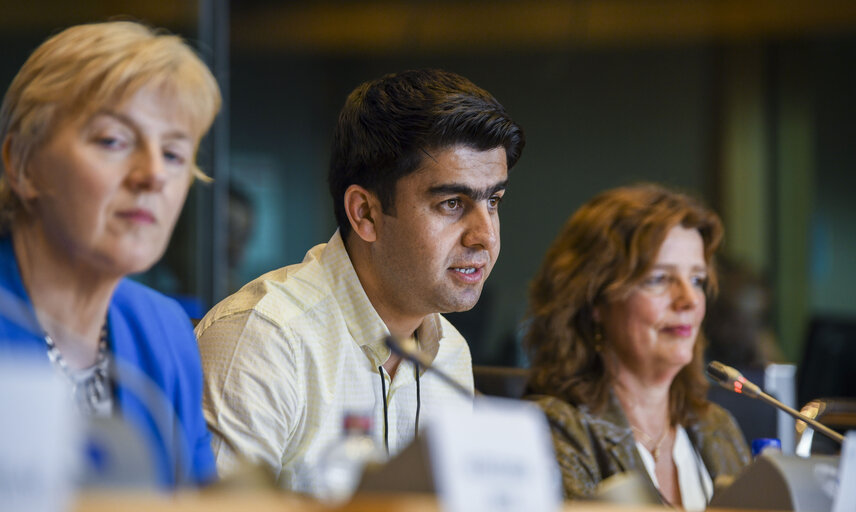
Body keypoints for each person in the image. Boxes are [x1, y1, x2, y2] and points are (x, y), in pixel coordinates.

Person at [196, 69, 524, 494]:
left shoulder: (449, 356)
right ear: (365, 214)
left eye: (493, 201)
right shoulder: (264, 339)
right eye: (451, 203)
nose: (486, 236)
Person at [0, 21, 221, 487]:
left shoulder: (166, 333)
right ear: (22, 164)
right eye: (113, 141)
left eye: (175, 154)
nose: (154, 176)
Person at [525, 184, 750, 509]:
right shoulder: (553, 429)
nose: (688, 300)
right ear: (595, 300)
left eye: (697, 280)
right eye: (658, 279)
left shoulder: (718, 427)